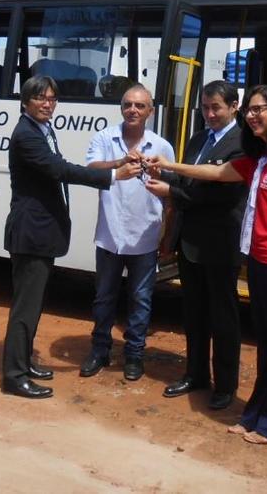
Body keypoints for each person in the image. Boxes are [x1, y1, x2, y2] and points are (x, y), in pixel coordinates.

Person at [146, 84, 267, 444]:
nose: (253, 116)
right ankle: (257, 415)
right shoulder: (262, 158)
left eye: (260, 109)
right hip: (258, 260)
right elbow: (217, 172)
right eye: (251, 111)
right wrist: (167, 165)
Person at [2, 75, 141, 399]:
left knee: (33, 306)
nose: (47, 104)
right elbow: (60, 170)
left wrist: (118, 161)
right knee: (25, 308)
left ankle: (24, 361)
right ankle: (14, 375)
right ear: (26, 102)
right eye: (40, 98)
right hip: (30, 234)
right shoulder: (26, 135)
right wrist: (112, 175)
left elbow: (60, 165)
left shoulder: (41, 129)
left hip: (41, 232)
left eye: (52, 98)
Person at [145, 80, 247, 410]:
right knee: (194, 313)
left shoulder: (241, 143)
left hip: (219, 243)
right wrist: (160, 172)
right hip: (190, 241)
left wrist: (171, 192)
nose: (209, 114)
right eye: (205, 107)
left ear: (234, 107)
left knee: (223, 317)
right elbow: (189, 178)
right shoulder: (199, 138)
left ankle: (225, 385)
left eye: (216, 107)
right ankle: (196, 374)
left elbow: (219, 193)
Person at [79, 84, 175, 381]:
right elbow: (92, 169)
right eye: (127, 105)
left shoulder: (162, 146)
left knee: (141, 300)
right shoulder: (105, 137)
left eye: (140, 106)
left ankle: (134, 355)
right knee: (103, 297)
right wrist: (119, 162)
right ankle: (100, 350)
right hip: (109, 235)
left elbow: (171, 196)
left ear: (151, 111)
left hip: (144, 238)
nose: (133, 110)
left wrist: (166, 237)